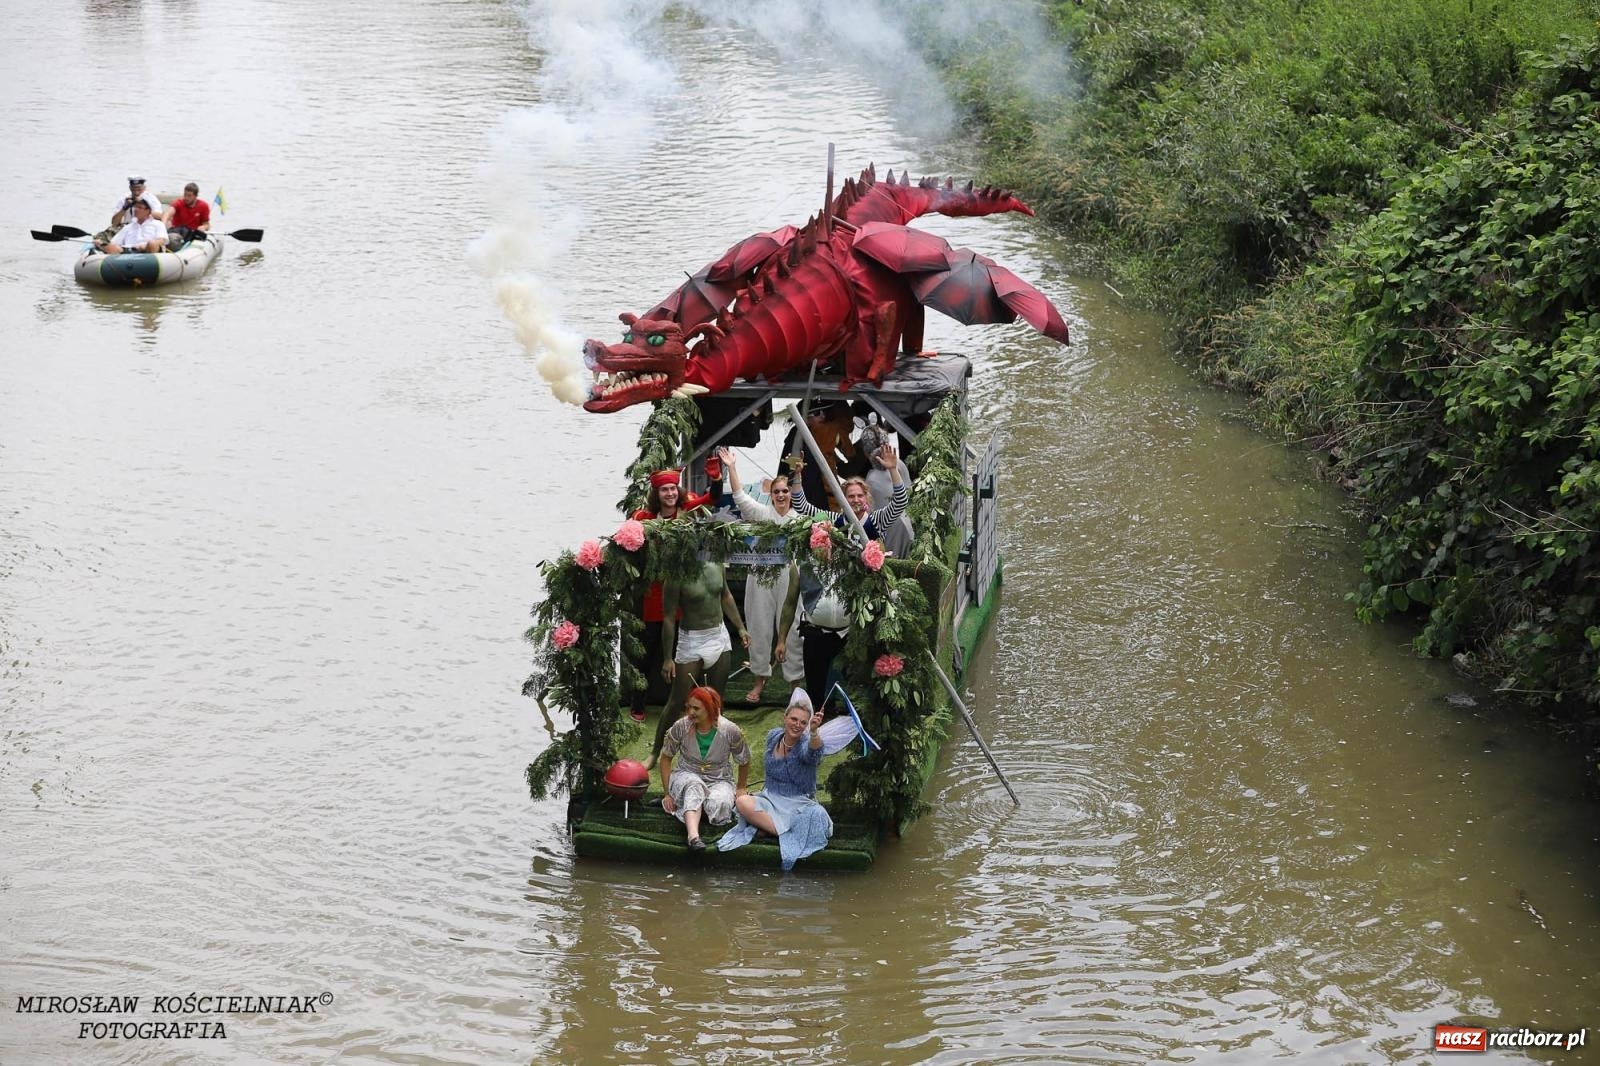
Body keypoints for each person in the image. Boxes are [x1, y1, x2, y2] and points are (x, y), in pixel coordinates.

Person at [717, 446, 805, 704]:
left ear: (790, 494)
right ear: (770, 493)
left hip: (790, 579)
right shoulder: (760, 514)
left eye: (785, 491)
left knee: (793, 632)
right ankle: (759, 679)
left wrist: (797, 475)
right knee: (759, 626)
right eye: (776, 491)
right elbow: (739, 496)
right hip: (760, 578)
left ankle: (794, 685)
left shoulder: (799, 520)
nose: (780, 495)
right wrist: (732, 467)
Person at [627, 469, 715, 721]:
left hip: (682, 594)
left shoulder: (686, 511)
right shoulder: (644, 517)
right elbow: (627, 539)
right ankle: (638, 703)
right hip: (654, 594)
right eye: (664, 490)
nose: (669, 494)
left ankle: (686, 705)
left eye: (673, 489)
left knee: (683, 652)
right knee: (648, 651)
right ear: (657, 493)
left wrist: (717, 476)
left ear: (678, 491)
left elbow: (712, 499)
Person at [718, 688, 834, 869]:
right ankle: (782, 831)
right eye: (794, 719)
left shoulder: (806, 743)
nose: (797, 725)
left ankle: (772, 830)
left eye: (803, 722)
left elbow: (814, 754)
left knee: (817, 816)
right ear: (785, 718)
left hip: (799, 804)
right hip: (770, 799)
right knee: (742, 802)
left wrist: (814, 733)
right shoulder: (773, 736)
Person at [649, 560, 749, 765]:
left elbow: (726, 595)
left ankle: (716, 751)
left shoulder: (717, 563)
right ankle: (656, 751)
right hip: (691, 640)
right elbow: (668, 618)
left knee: (715, 699)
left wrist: (740, 627)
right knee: (677, 700)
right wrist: (668, 658)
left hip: (718, 636)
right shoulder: (676, 573)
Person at [658, 686, 751, 852]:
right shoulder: (681, 726)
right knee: (694, 786)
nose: (690, 712)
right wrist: (667, 794)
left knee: (719, 803)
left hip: (719, 779)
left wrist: (741, 788)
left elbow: (744, 760)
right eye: (688, 707)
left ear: (710, 709)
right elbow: (665, 758)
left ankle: (690, 809)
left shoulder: (730, 730)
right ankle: (693, 837)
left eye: (696, 708)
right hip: (686, 775)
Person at [788, 440, 909, 543]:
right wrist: (797, 474)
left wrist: (893, 469)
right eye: (851, 496)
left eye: (860, 495)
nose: (856, 500)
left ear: (866, 498)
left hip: (873, 571)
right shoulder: (834, 519)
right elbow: (801, 506)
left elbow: (901, 502)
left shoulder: (878, 519)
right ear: (843, 499)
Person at [780, 402, 862, 508]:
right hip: (817, 495)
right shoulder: (826, 431)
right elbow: (850, 453)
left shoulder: (797, 433)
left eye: (824, 413)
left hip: (804, 493)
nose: (823, 416)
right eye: (818, 413)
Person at [859, 422, 915, 559]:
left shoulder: (871, 479)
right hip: (910, 527)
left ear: (866, 453)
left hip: (891, 536)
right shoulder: (899, 465)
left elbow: (870, 519)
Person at [94, 199, 168, 255]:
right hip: (129, 252)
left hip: (148, 251)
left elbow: (162, 240)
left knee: (152, 243)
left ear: (148, 211)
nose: (136, 209)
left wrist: (145, 246)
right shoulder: (128, 227)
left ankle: (150, 267)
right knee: (111, 247)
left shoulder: (158, 224)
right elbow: (115, 243)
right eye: (135, 207)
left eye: (139, 207)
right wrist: (102, 244)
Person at [163, 182, 212, 247]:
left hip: (192, 234)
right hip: (177, 233)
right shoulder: (179, 203)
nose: (186, 198)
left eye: (189, 196)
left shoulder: (203, 206)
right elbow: (168, 213)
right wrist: (163, 224)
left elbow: (207, 224)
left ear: (195, 196)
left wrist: (204, 227)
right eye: (185, 195)